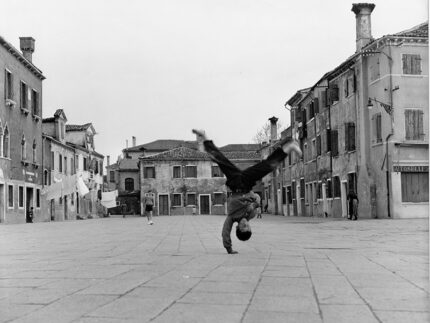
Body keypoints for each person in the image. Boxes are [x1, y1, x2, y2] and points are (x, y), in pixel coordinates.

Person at [192, 129, 302, 254]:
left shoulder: (231, 218)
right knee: (267, 167)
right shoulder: (251, 215)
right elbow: (257, 198)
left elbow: (225, 232)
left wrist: (229, 248)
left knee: (220, 160)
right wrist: (254, 203)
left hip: (235, 183)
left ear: (237, 227)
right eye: (247, 226)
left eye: (243, 226)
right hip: (247, 182)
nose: (245, 224)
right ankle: (289, 147)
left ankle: (204, 138)